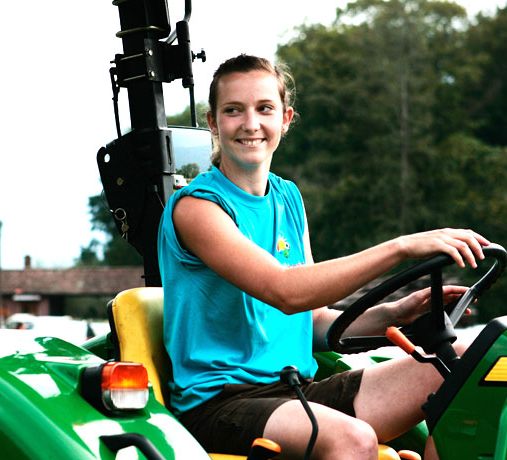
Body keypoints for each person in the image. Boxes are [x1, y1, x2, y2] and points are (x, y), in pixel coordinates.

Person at [158, 54, 489, 460]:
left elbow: (310, 318)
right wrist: (401, 247)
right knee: (354, 440)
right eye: (233, 111)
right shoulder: (197, 208)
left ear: (285, 118)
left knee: (458, 369)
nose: (250, 123)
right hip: (220, 404)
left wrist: (393, 313)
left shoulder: (288, 199)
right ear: (213, 122)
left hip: (296, 389)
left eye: (264, 108)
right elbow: (285, 292)